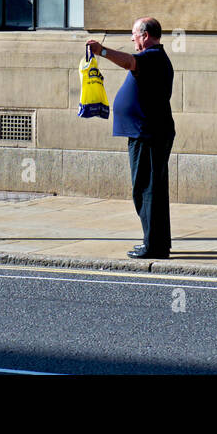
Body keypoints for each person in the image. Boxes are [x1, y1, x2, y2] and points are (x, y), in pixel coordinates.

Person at [86, 17, 175, 260]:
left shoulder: (152, 57)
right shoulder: (154, 58)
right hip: (146, 132)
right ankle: (157, 243)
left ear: (145, 36)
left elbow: (128, 62)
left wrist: (101, 51)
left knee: (146, 190)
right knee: (151, 189)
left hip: (147, 133)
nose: (131, 39)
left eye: (134, 34)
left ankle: (154, 246)